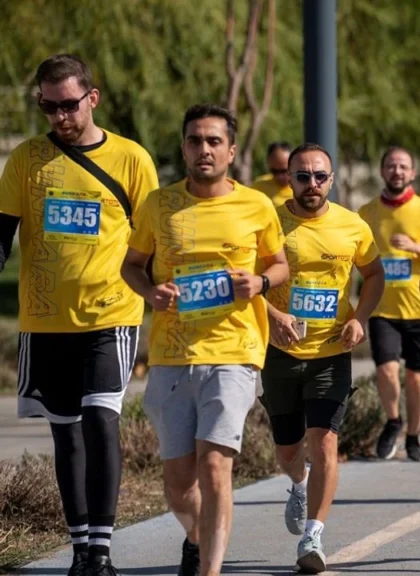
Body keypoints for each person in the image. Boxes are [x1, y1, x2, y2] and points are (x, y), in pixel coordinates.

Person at [0, 54, 159, 576]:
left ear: (92, 98)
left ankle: (103, 549)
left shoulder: (132, 159)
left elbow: (154, 240)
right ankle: (80, 550)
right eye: (49, 106)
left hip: (110, 314)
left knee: (100, 420)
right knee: (65, 432)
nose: (60, 116)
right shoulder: (26, 159)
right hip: (45, 321)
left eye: (69, 104)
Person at [120, 104, 290, 576]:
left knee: (216, 465)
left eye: (214, 141)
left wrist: (260, 284)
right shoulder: (159, 203)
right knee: (177, 483)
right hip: (172, 354)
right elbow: (131, 266)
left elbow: (280, 265)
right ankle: (196, 536)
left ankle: (210, 571)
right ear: (184, 148)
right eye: (195, 141)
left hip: (234, 351)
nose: (204, 149)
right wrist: (151, 291)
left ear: (231, 150)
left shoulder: (256, 205)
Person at [261, 143, 384, 572]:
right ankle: (297, 484)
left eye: (319, 176)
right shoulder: (269, 221)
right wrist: (273, 315)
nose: (311, 184)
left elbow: (373, 276)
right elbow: (245, 281)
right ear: (288, 178)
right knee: (288, 448)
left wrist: (361, 318)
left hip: (332, 351)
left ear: (331, 179)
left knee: (325, 441)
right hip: (281, 350)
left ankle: (313, 536)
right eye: (302, 176)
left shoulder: (352, 225)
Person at [357, 147, 420, 463]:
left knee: (416, 377)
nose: (397, 171)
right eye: (391, 166)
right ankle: (393, 421)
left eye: (403, 166)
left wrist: (415, 247)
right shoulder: (366, 212)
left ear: (413, 173)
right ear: (382, 171)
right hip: (383, 308)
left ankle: (414, 437)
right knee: (386, 370)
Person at [250, 142, 294, 207]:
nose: (280, 176)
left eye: (284, 171)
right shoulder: (259, 187)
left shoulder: (303, 186)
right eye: (274, 171)